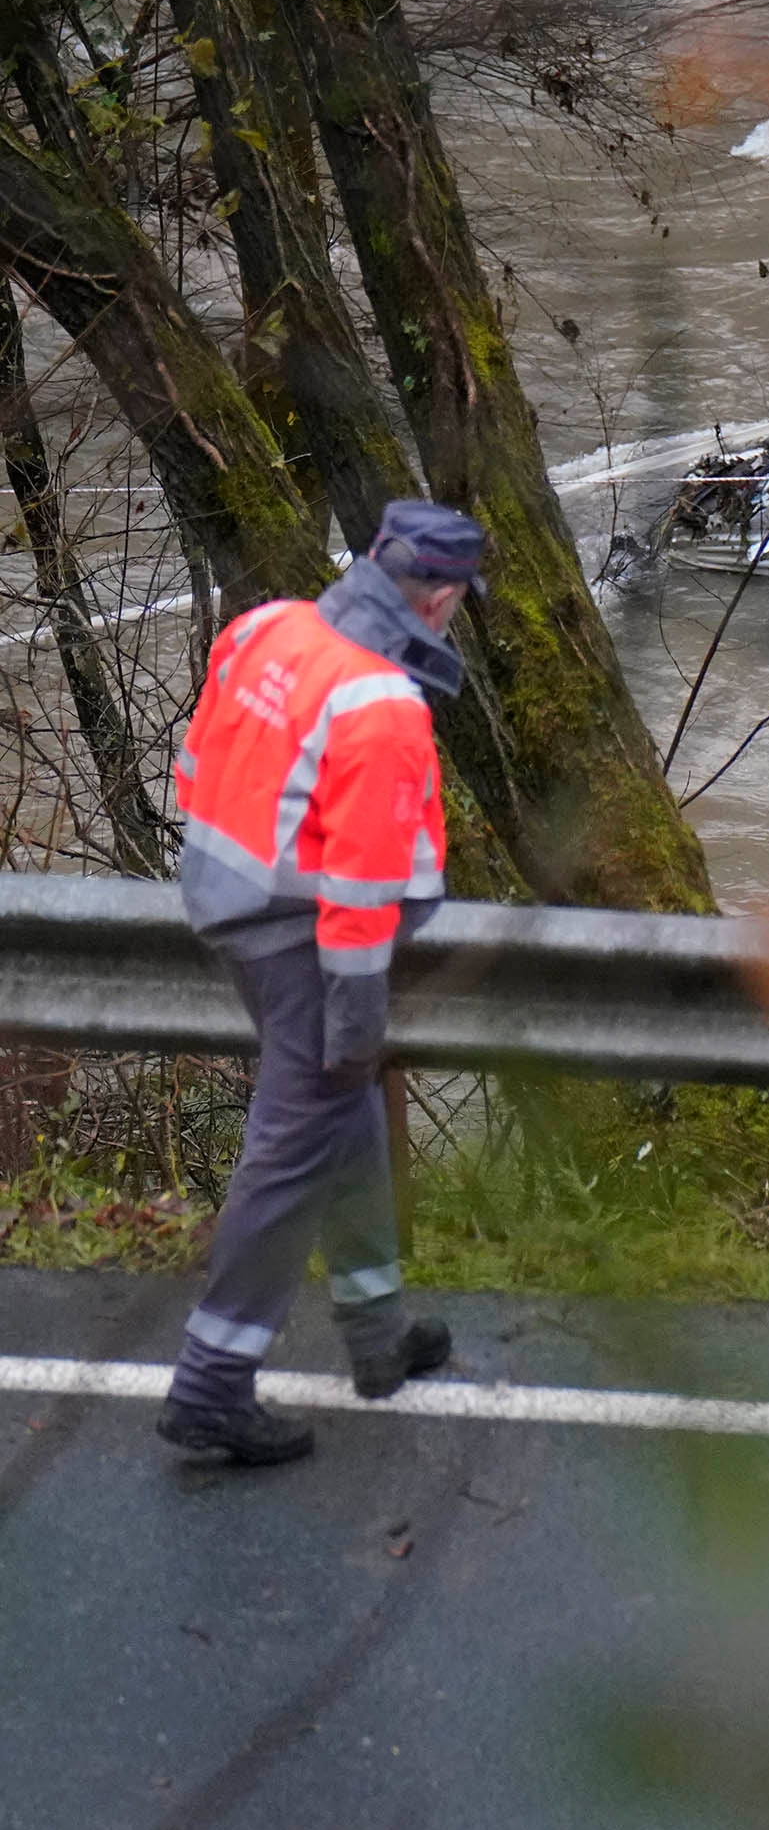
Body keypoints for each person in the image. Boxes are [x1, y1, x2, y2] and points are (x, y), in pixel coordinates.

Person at [157, 500, 489, 1466]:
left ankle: (378, 1337)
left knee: (345, 1125)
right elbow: (359, 902)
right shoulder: (381, 704)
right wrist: (356, 1022)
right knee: (294, 1143)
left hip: (232, 903)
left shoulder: (268, 625)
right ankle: (211, 1383)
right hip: (304, 944)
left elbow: (197, 768)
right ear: (438, 601)